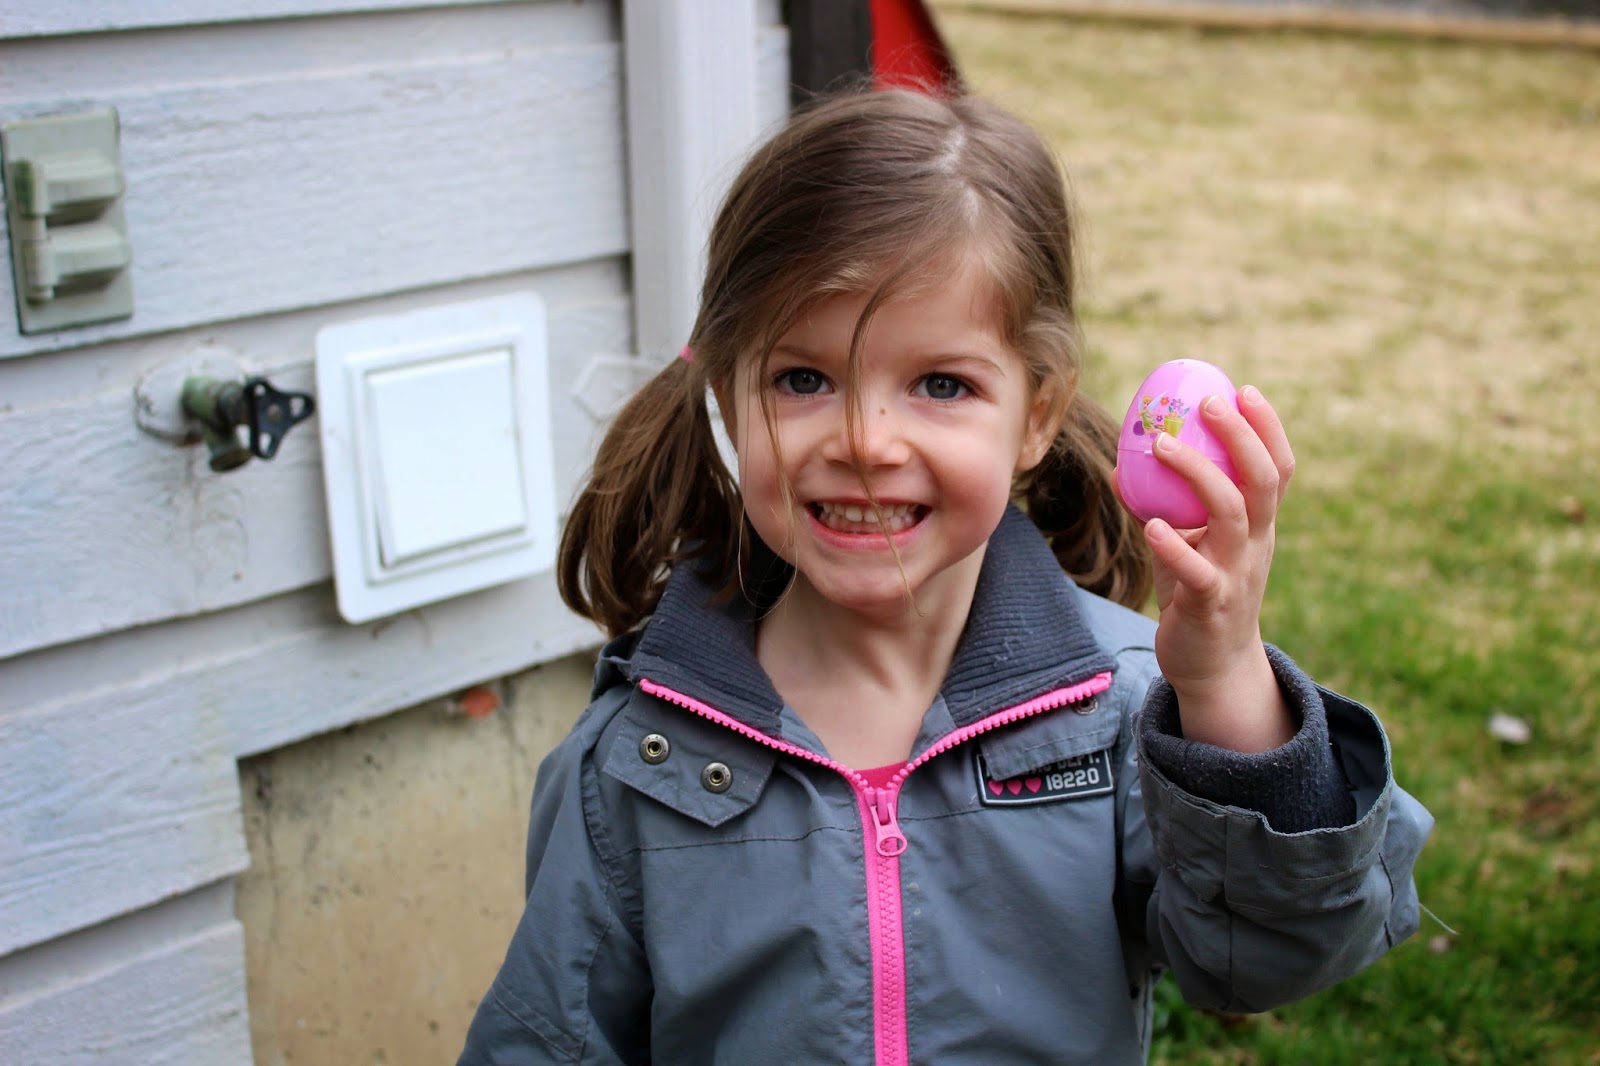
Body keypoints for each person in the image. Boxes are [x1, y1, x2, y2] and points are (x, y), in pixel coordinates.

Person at [458, 88, 1432, 1066]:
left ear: (1036, 415)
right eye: (803, 379)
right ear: (728, 394)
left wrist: (1222, 679)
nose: (865, 440)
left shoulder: (1128, 712)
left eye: (941, 384)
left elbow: (1271, 954)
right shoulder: (637, 760)